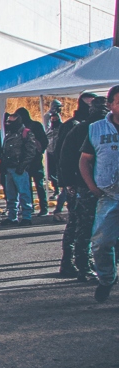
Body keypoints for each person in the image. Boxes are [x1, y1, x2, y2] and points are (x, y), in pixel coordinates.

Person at [79, 86, 119, 303]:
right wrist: (92, 186)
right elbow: (85, 159)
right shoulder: (96, 129)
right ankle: (106, 278)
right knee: (101, 242)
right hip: (109, 195)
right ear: (110, 104)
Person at [57, 95, 103, 281]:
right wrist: (69, 184)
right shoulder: (81, 128)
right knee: (83, 226)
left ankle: (75, 263)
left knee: (79, 225)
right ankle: (78, 264)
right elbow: (66, 158)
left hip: (83, 185)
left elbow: (63, 156)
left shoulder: (80, 127)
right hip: (83, 185)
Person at [0, 109, 44, 226]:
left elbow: (31, 151)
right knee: (11, 195)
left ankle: (26, 216)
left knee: (24, 193)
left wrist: (23, 165)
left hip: (20, 169)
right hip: (9, 168)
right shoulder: (9, 134)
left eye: (11, 122)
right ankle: (12, 216)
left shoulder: (25, 133)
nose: (8, 124)